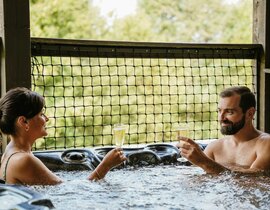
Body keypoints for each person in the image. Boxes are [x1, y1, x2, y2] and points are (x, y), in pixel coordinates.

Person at [0, 87, 126, 185]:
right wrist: (105, 165)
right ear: (24, 122)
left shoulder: (11, 151)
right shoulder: (23, 160)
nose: (47, 119)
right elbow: (75, 193)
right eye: (41, 114)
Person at [177, 86, 270, 174]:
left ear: (250, 113)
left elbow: (255, 178)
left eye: (229, 112)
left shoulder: (266, 144)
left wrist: (205, 162)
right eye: (219, 111)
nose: (221, 118)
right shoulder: (214, 148)